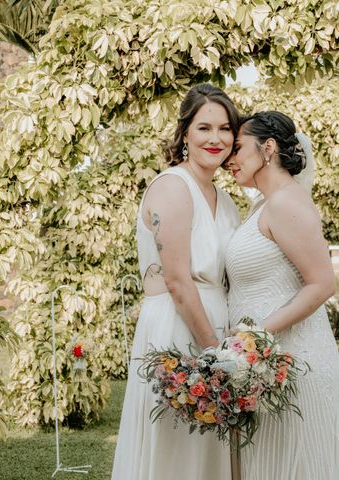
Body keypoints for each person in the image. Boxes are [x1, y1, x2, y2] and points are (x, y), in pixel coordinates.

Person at [111, 84, 241, 480]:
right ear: (185, 134)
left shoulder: (227, 199)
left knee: (210, 447)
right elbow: (178, 282)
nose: (215, 138)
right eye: (204, 128)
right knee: (177, 447)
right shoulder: (172, 186)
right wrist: (216, 354)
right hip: (178, 327)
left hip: (218, 328)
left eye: (225, 128)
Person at [225, 111, 339, 479]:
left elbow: (323, 283)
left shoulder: (285, 202)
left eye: (237, 148)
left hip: (295, 365)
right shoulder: (264, 204)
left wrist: (256, 335)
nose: (229, 160)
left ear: (268, 148)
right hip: (266, 367)